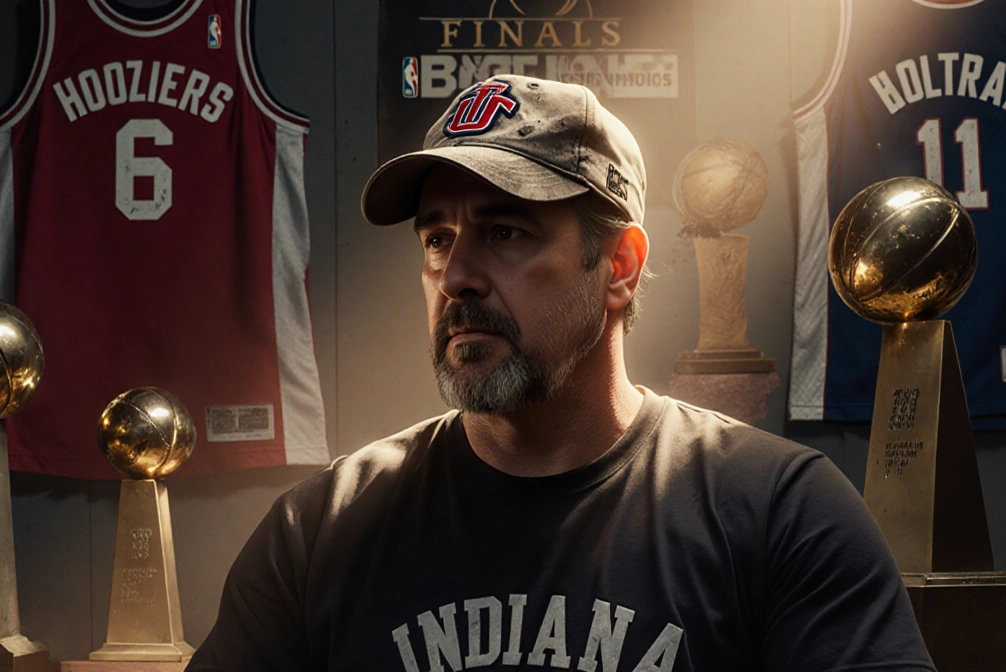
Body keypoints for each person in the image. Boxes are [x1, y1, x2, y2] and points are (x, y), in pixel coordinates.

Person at [187, 74, 936, 671]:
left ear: (619, 267)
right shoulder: (320, 531)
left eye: (505, 232)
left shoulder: (777, 513)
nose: (457, 277)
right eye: (438, 239)